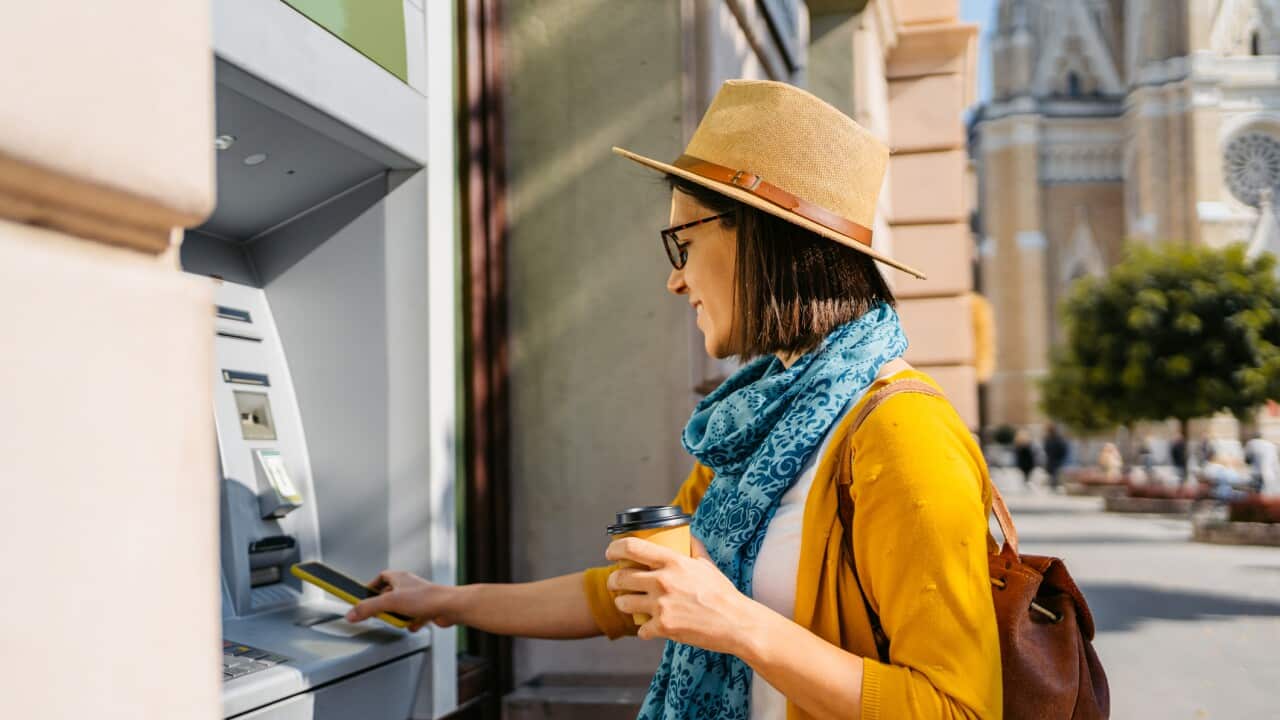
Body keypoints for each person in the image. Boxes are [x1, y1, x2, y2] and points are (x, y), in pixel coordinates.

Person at [344, 80, 1001, 719]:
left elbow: (958, 708)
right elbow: (620, 598)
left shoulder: (902, 431)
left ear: (762, 239)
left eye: (683, 243)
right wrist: (443, 602)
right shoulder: (758, 424)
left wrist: (736, 623)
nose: (674, 279)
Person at [1043, 423, 1069, 491]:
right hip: (1052, 460)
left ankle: (1054, 487)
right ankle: (1053, 487)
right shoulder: (1048, 439)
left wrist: (1060, 457)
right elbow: (1046, 449)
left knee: (1055, 474)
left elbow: (1063, 449)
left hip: (1056, 460)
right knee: (1052, 474)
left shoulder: (1057, 439)